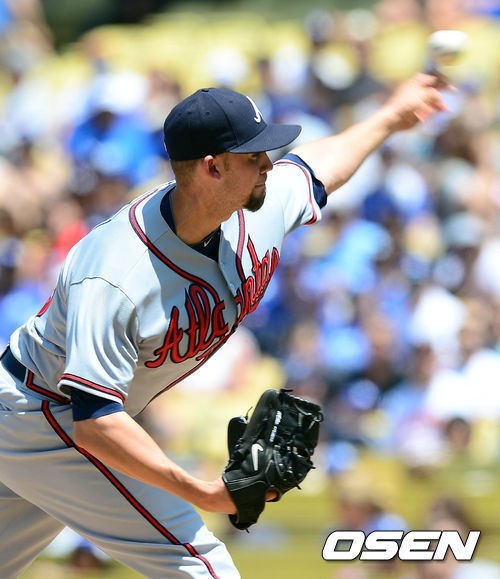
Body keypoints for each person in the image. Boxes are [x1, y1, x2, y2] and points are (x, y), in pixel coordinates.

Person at [0, 73, 447, 578]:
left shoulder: (251, 205)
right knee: (201, 565)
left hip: (53, 418)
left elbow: (316, 169)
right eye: (254, 156)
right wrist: (201, 491)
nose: (268, 165)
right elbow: (96, 421)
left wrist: (389, 117)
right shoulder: (114, 273)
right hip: (43, 413)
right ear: (213, 167)